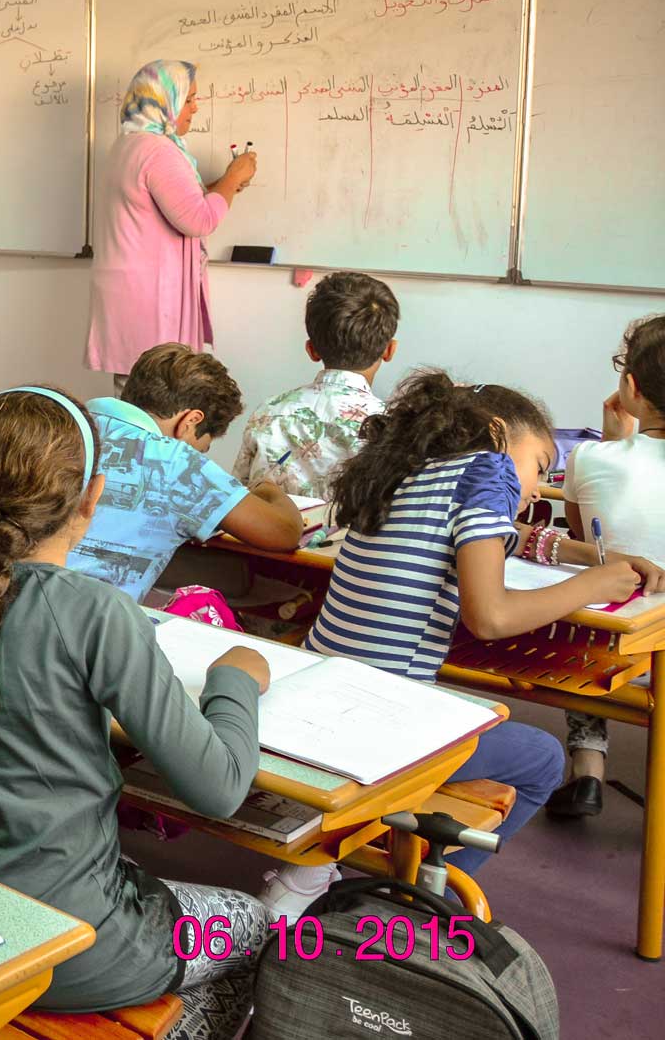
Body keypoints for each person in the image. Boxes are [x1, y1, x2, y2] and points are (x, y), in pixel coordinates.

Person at [0, 387, 270, 1039]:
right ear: (93, 497)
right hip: (76, 944)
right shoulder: (100, 612)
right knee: (256, 924)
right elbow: (221, 786)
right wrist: (235, 679)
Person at [291, 372, 663, 909]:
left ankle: (374, 861)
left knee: (472, 711)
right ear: (496, 434)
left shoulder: (410, 469)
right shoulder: (488, 470)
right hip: (370, 719)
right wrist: (594, 584)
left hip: (315, 694)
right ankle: (414, 899)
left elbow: (515, 537)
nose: (537, 489)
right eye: (539, 466)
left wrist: (592, 557)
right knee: (539, 757)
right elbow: (488, 617)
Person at [68, 343, 303, 600]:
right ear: (190, 421)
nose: (198, 455)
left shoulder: (60, 423)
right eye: (202, 447)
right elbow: (284, 533)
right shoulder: (176, 462)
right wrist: (268, 488)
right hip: (90, 623)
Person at [550, 314, 665, 819]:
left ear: (632, 387)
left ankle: (588, 770)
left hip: (610, 642)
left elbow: (582, 539)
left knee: (590, 603)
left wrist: (617, 443)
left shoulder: (590, 457)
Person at [86, 61, 257, 384]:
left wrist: (224, 184)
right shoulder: (157, 151)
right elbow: (198, 219)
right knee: (155, 397)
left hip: (133, 293)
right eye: (188, 98)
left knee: (136, 395)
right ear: (166, 101)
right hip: (150, 297)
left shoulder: (130, 144)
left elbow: (174, 203)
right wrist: (233, 178)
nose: (195, 107)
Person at [233, 271, 400, 497]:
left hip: (267, 531)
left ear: (311, 350)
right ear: (389, 350)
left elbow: (238, 495)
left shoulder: (269, 412)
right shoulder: (392, 426)